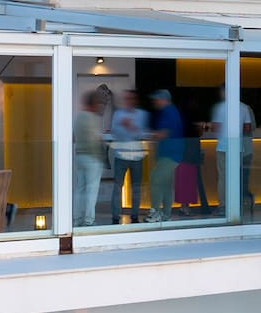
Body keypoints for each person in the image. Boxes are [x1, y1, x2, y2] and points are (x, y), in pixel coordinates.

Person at [211, 85, 255, 219]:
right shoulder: (244, 107)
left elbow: (216, 127)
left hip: (223, 146)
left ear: (225, 92)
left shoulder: (220, 107)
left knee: (223, 177)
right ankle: (235, 206)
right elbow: (248, 127)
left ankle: (223, 206)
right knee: (235, 177)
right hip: (238, 147)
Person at [109, 90, 150, 224]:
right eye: (126, 99)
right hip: (121, 155)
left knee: (136, 187)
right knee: (117, 186)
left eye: (131, 99)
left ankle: (134, 215)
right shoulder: (118, 114)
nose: (128, 101)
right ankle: (115, 216)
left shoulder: (142, 115)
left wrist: (129, 126)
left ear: (135, 100)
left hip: (137, 156)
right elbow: (115, 133)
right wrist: (125, 129)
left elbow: (142, 134)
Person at [146, 90, 184, 220]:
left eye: (156, 99)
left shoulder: (167, 111)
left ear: (163, 99)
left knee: (155, 179)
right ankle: (166, 214)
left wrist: (149, 135)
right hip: (174, 154)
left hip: (169, 154)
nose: (154, 102)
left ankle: (155, 212)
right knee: (167, 184)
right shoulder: (172, 111)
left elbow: (163, 133)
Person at [73, 90, 106, 227]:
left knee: (79, 190)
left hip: (79, 156)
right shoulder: (92, 118)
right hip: (92, 158)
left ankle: (77, 219)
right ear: (94, 104)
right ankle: (89, 220)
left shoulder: (78, 117)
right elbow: (95, 139)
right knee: (91, 191)